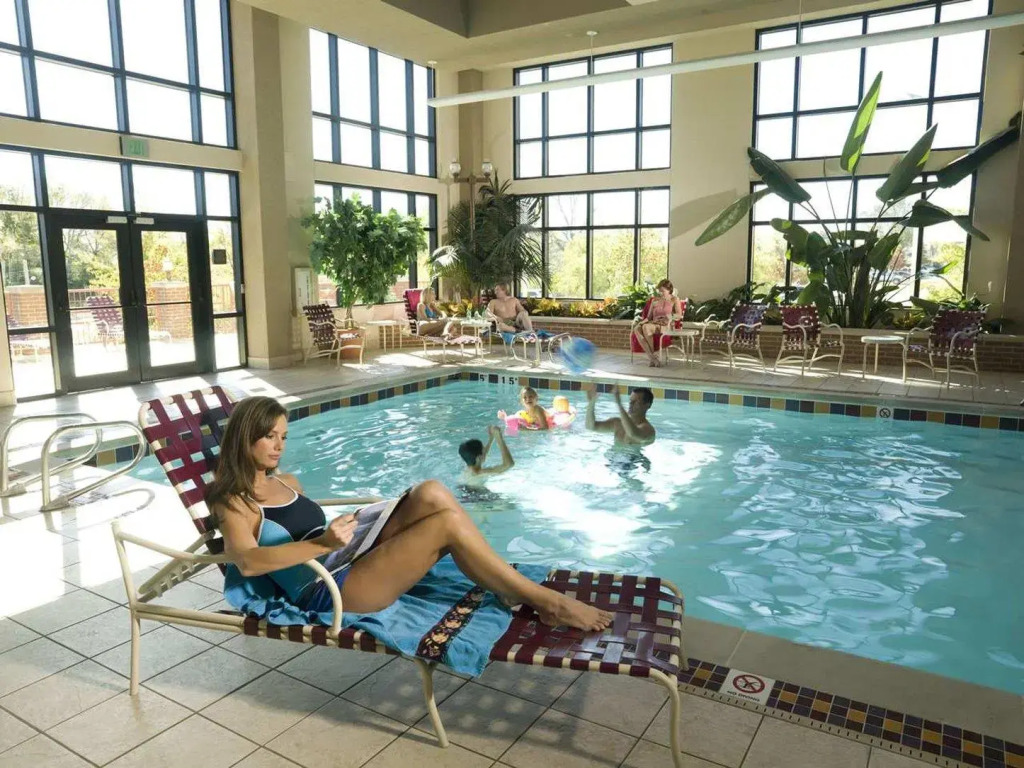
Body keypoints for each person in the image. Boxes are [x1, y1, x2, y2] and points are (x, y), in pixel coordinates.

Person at [205, 397, 611, 630]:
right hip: (328, 589)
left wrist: (356, 527)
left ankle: (507, 585)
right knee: (446, 524)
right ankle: (547, 602)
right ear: (245, 437)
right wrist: (322, 543)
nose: (279, 446)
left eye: (283, 436)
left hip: (346, 556)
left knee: (431, 491)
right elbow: (248, 562)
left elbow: (314, 532)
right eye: (269, 436)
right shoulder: (233, 501)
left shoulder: (288, 481)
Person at [634, 279, 683, 368]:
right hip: (654, 323)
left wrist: (669, 316)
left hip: (665, 325)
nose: (660, 293)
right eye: (659, 291)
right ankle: (653, 358)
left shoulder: (674, 299)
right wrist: (640, 323)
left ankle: (653, 359)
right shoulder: (655, 300)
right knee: (637, 328)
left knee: (646, 327)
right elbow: (648, 318)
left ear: (669, 290)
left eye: (662, 291)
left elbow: (679, 315)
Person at [585, 386, 656, 445]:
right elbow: (590, 427)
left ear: (647, 405)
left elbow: (632, 434)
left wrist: (619, 404)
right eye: (630, 401)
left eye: (635, 402)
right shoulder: (617, 423)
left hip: (634, 458)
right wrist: (591, 403)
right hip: (612, 457)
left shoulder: (649, 430)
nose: (631, 404)